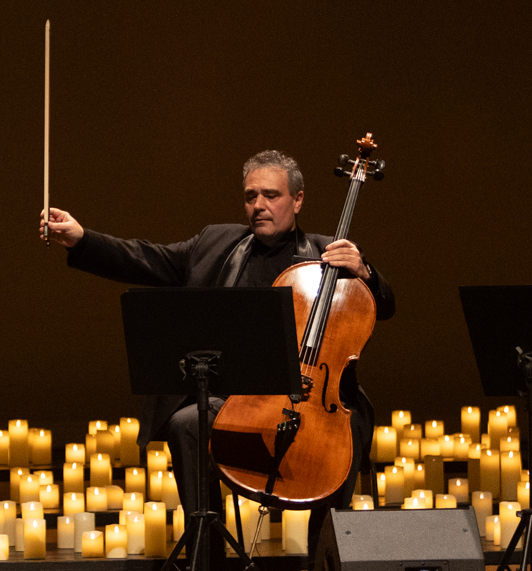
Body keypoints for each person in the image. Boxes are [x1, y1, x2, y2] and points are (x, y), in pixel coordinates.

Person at [40, 148, 395, 512]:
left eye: (271, 195)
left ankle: (325, 564)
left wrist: (365, 273)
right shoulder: (216, 243)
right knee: (186, 423)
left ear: (298, 200)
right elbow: (147, 259)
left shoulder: (328, 256)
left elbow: (382, 306)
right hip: (233, 404)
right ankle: (206, 555)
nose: (258, 204)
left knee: (346, 437)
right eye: (250, 196)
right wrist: (81, 239)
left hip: (311, 404)